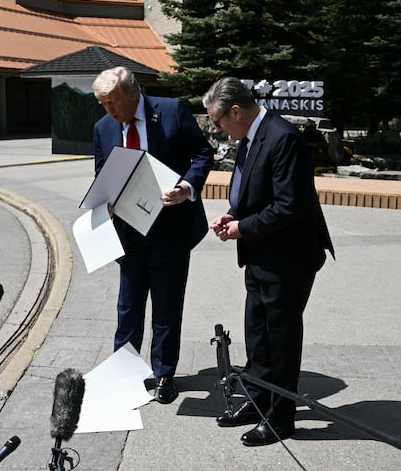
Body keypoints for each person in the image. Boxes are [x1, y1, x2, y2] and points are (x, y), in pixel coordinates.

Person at [204, 77, 334, 446]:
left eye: (218, 122)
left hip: (288, 257)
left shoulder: (283, 138)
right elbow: (254, 192)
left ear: (235, 112)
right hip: (261, 252)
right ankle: (259, 399)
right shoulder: (249, 137)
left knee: (281, 339)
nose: (218, 130)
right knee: (257, 334)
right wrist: (233, 215)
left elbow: (288, 206)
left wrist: (242, 228)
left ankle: (280, 417)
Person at [92, 66, 214, 404]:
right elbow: (102, 172)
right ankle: (125, 374)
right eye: (103, 104)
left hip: (170, 228)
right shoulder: (103, 128)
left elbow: (203, 154)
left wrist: (186, 187)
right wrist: (105, 199)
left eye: (113, 102)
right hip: (129, 231)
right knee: (128, 308)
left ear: (133, 94)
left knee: (167, 305)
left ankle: (164, 374)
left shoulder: (171, 112)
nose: (109, 110)